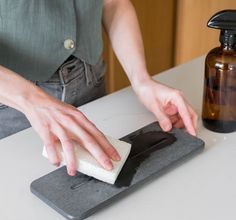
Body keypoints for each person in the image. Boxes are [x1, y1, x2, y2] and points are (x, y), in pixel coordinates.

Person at [0, 0, 197, 176]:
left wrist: (141, 80)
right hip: (14, 104)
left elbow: (113, 3)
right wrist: (32, 100)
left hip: (90, 83)